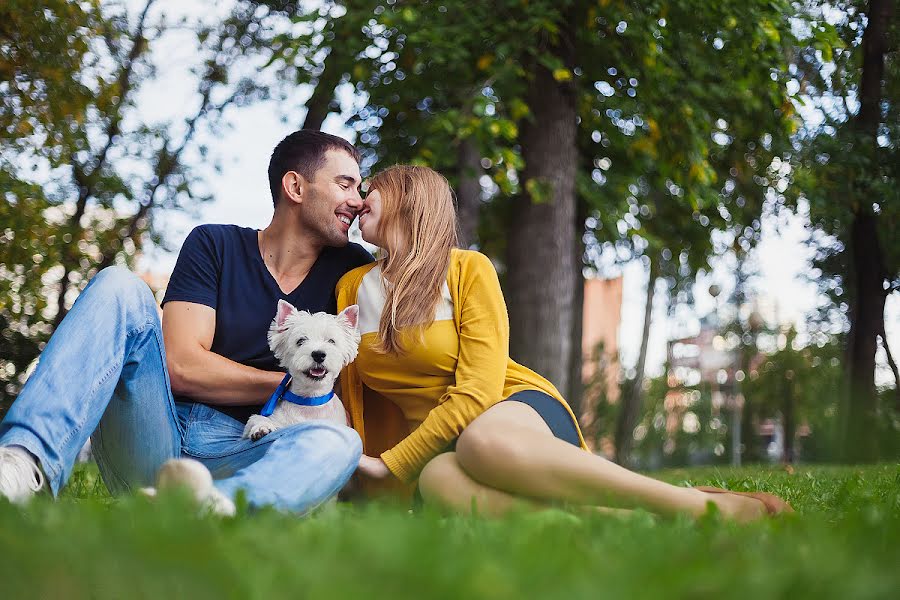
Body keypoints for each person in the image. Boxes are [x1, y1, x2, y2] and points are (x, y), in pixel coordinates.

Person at [337, 165, 792, 521]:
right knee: (438, 481)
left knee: (480, 440)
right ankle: (634, 523)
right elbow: (351, 393)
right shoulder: (352, 287)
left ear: (406, 194)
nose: (357, 201)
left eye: (368, 187)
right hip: (439, 448)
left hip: (510, 412)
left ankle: (701, 510)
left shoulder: (466, 269)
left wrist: (391, 463)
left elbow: (477, 391)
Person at [0, 130, 373, 513]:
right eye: (345, 184)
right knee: (119, 284)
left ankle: (216, 508)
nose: (357, 202)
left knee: (340, 441)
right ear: (295, 186)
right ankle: (25, 466)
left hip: (255, 453)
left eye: (361, 190)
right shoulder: (214, 245)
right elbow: (181, 366)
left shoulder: (354, 272)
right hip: (154, 434)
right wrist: (299, 383)